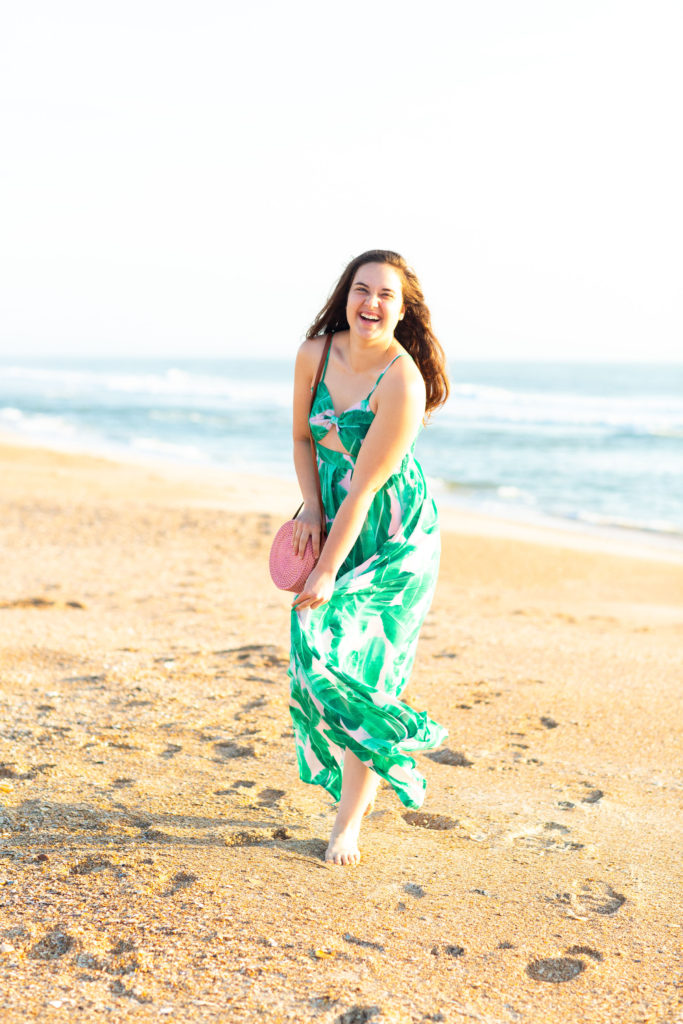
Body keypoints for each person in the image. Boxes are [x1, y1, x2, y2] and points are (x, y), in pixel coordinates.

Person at [288, 249, 449, 866]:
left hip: (393, 535)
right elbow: (304, 438)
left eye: (386, 295)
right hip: (330, 512)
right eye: (362, 289)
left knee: (366, 668)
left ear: (402, 311)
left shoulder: (402, 380)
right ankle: (358, 788)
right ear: (345, 295)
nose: (371, 303)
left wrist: (327, 568)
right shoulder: (313, 355)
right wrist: (308, 507)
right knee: (312, 648)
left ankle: (347, 824)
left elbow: (365, 489)